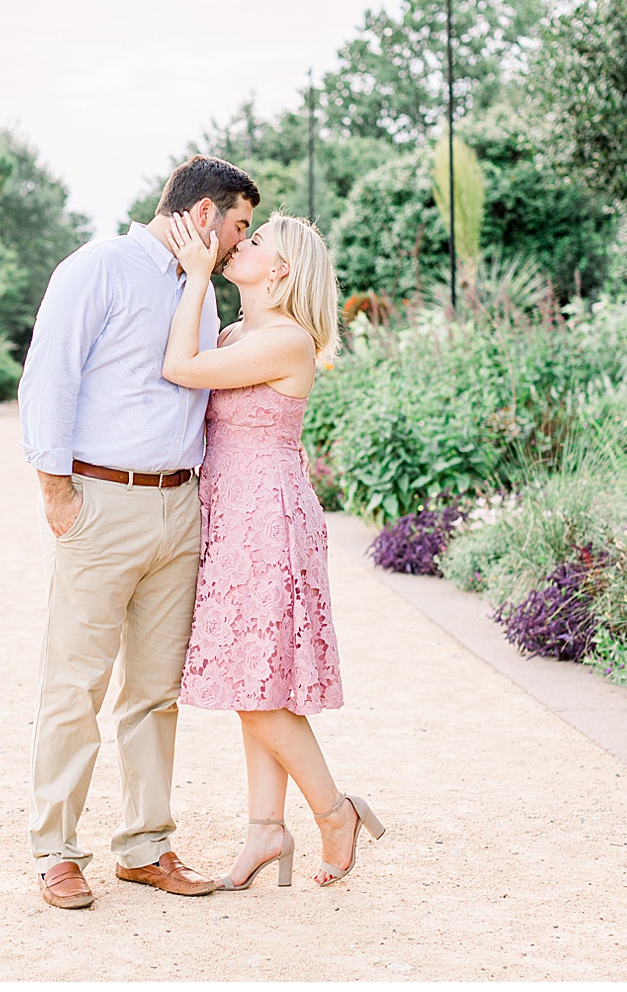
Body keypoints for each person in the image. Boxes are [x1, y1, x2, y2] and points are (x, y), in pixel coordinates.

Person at [17, 155, 258, 910]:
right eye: (239, 225)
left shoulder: (202, 290)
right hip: (101, 501)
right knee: (75, 683)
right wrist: (57, 490)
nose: (240, 241)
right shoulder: (99, 267)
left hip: (178, 507)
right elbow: (49, 376)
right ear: (203, 214)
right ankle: (56, 850)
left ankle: (145, 845)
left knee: (156, 692)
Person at [161, 210, 385, 890]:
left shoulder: (288, 340)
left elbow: (180, 367)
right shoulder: (237, 334)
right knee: (250, 678)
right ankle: (265, 828)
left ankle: (335, 811)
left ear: (281, 269)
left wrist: (196, 275)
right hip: (230, 513)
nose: (241, 242)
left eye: (255, 240)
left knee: (257, 682)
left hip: (266, 519)